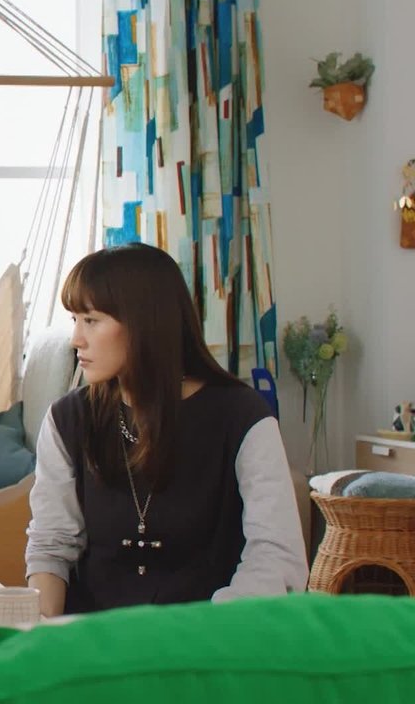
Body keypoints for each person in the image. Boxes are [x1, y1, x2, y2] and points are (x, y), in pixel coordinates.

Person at [24, 243, 308, 617]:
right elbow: (51, 546)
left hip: (207, 638)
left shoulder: (242, 417)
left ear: (144, 323)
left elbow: (275, 555)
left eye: (91, 320)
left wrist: (203, 636)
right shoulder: (68, 419)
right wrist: (42, 634)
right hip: (94, 638)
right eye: (74, 319)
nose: (76, 338)